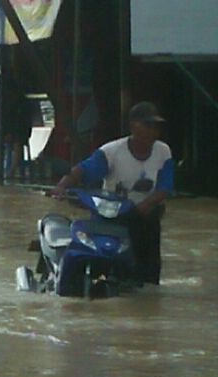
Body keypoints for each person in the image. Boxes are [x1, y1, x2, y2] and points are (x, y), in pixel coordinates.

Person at [52, 101, 174, 284]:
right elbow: (82, 170)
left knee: (149, 278)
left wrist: (145, 205)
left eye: (155, 126)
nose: (152, 131)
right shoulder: (111, 152)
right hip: (114, 215)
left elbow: (165, 187)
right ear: (133, 126)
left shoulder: (163, 152)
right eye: (147, 125)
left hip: (146, 217)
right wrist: (62, 186)